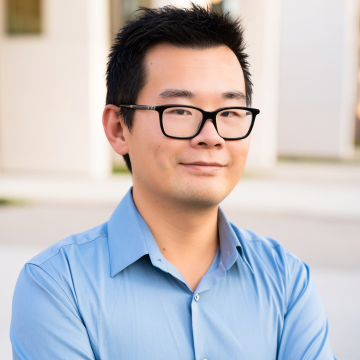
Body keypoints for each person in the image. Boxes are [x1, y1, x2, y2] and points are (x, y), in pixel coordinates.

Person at [10, 4, 335, 360]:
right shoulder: (57, 286)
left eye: (229, 112)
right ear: (119, 128)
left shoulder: (286, 280)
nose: (211, 137)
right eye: (180, 110)